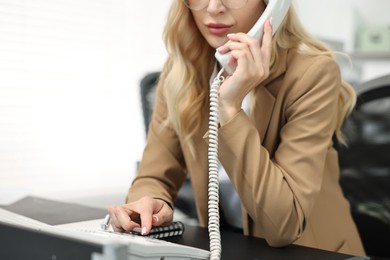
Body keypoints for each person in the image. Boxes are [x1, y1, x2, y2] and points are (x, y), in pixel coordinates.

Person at [108, 0, 366, 256]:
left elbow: (285, 225)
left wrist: (230, 109)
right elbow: (155, 175)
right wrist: (148, 200)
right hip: (230, 247)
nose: (213, 8)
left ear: (273, 4)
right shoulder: (181, 72)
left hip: (310, 251)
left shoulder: (313, 73)